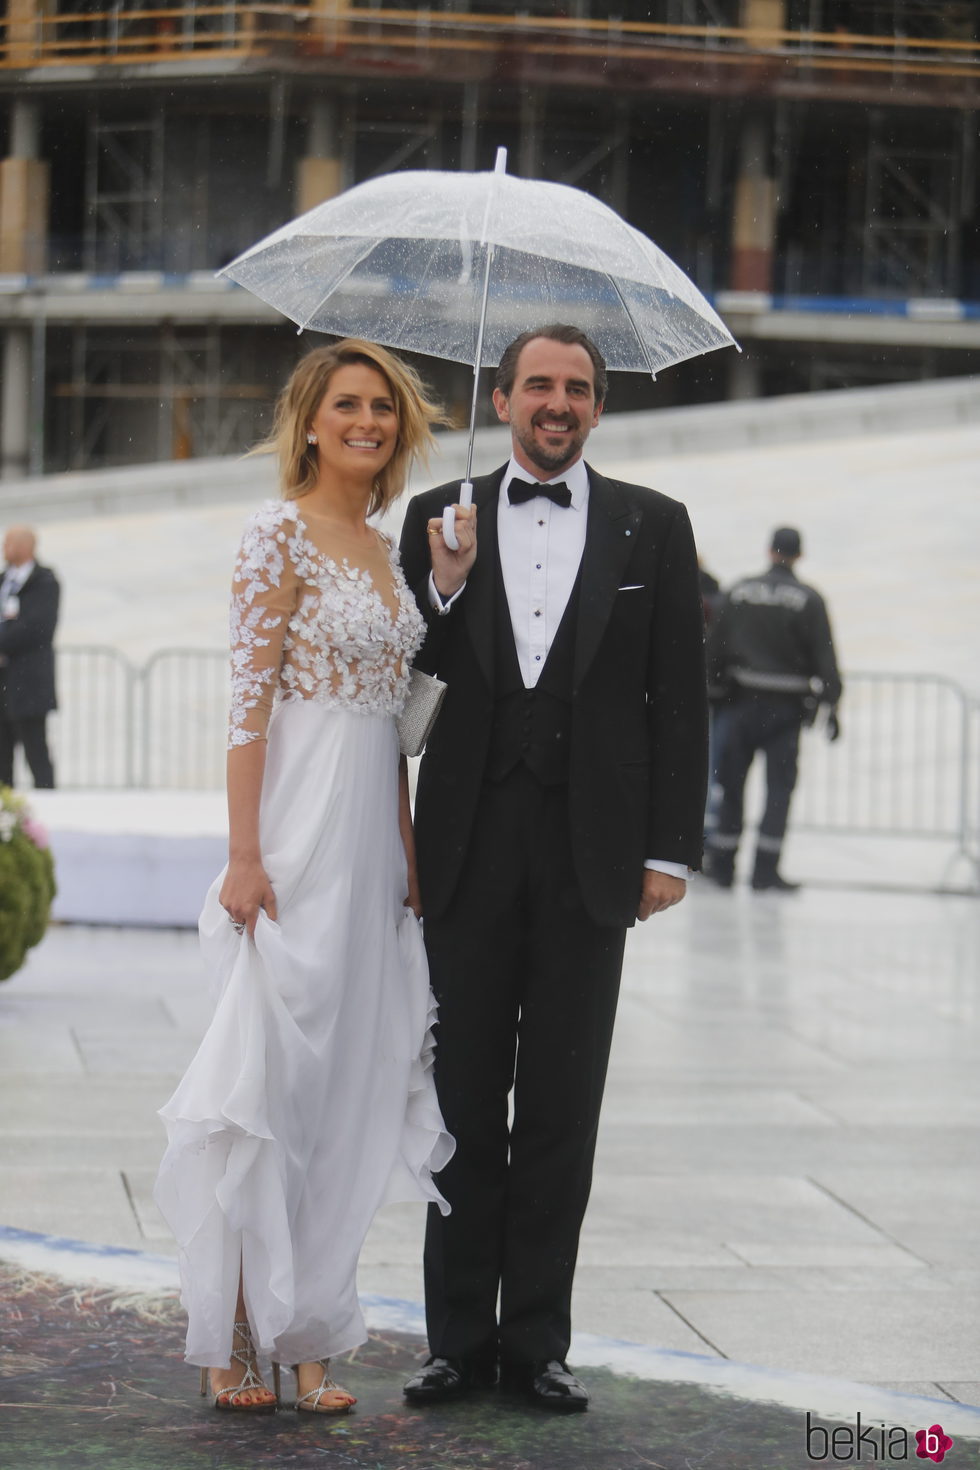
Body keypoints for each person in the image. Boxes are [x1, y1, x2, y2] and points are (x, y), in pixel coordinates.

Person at [398, 324, 708, 1413]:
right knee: (459, 1102)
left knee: (563, 1105)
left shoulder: (653, 526)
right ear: (499, 398)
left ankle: (534, 1343)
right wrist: (441, 587)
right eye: (538, 384)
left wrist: (668, 851)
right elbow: (400, 690)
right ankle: (450, 1340)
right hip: (466, 851)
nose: (556, 402)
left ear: (597, 408)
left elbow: (679, 696)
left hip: (593, 858)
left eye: (576, 387)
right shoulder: (435, 518)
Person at [154, 340, 454, 1415]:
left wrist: (411, 864)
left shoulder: (387, 549)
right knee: (268, 1079)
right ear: (310, 419)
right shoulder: (274, 532)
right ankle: (233, 1330)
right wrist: (243, 854)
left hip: (374, 845)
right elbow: (248, 705)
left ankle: (309, 1326)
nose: (366, 421)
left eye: (383, 407)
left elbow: (397, 728)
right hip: (292, 835)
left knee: (348, 1087)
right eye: (347, 405)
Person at [703, 526, 842, 892]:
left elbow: (715, 646)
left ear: (769, 550)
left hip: (739, 706)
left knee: (730, 786)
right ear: (799, 555)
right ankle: (765, 872)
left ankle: (722, 867)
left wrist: (711, 690)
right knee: (779, 790)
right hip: (785, 711)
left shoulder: (739, 591)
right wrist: (833, 703)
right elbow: (824, 656)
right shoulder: (809, 599)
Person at [0, 526, 60, 790]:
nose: (4, 547)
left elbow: (35, 628)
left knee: (36, 752)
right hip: (3, 681)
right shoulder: (3, 580)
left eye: (9, 542)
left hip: (29, 684)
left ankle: (50, 813)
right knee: (2, 755)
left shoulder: (45, 582)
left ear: (26, 546)